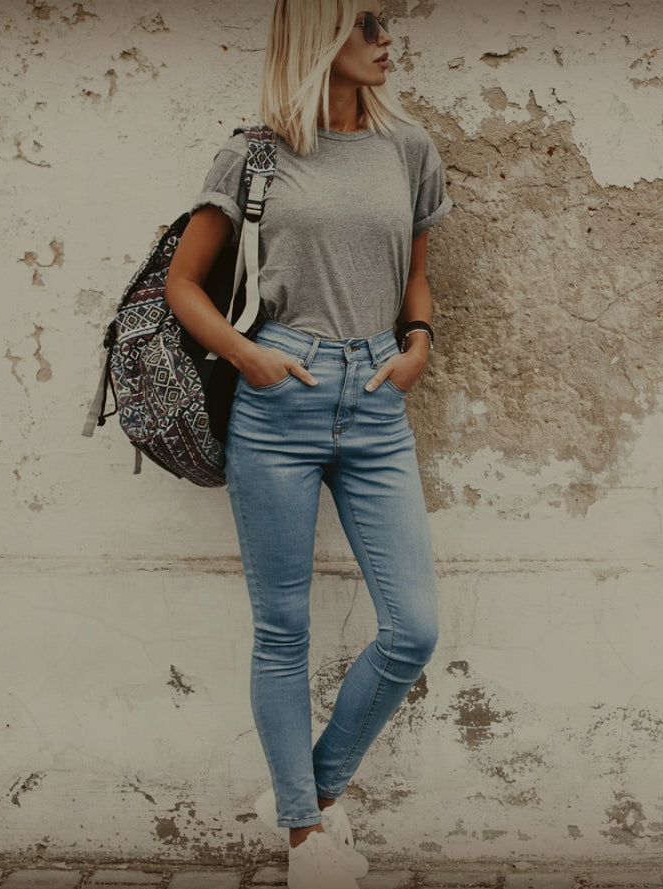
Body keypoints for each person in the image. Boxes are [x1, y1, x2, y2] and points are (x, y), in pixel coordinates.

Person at [164, 2, 450, 886]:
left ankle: (308, 794)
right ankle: (304, 844)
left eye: (385, 22)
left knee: (413, 628)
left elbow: (418, 283)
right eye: (366, 21)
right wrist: (249, 354)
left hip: (374, 400)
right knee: (282, 630)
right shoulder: (253, 156)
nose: (385, 37)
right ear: (319, 35)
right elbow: (184, 283)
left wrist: (417, 351)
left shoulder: (410, 151)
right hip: (278, 396)